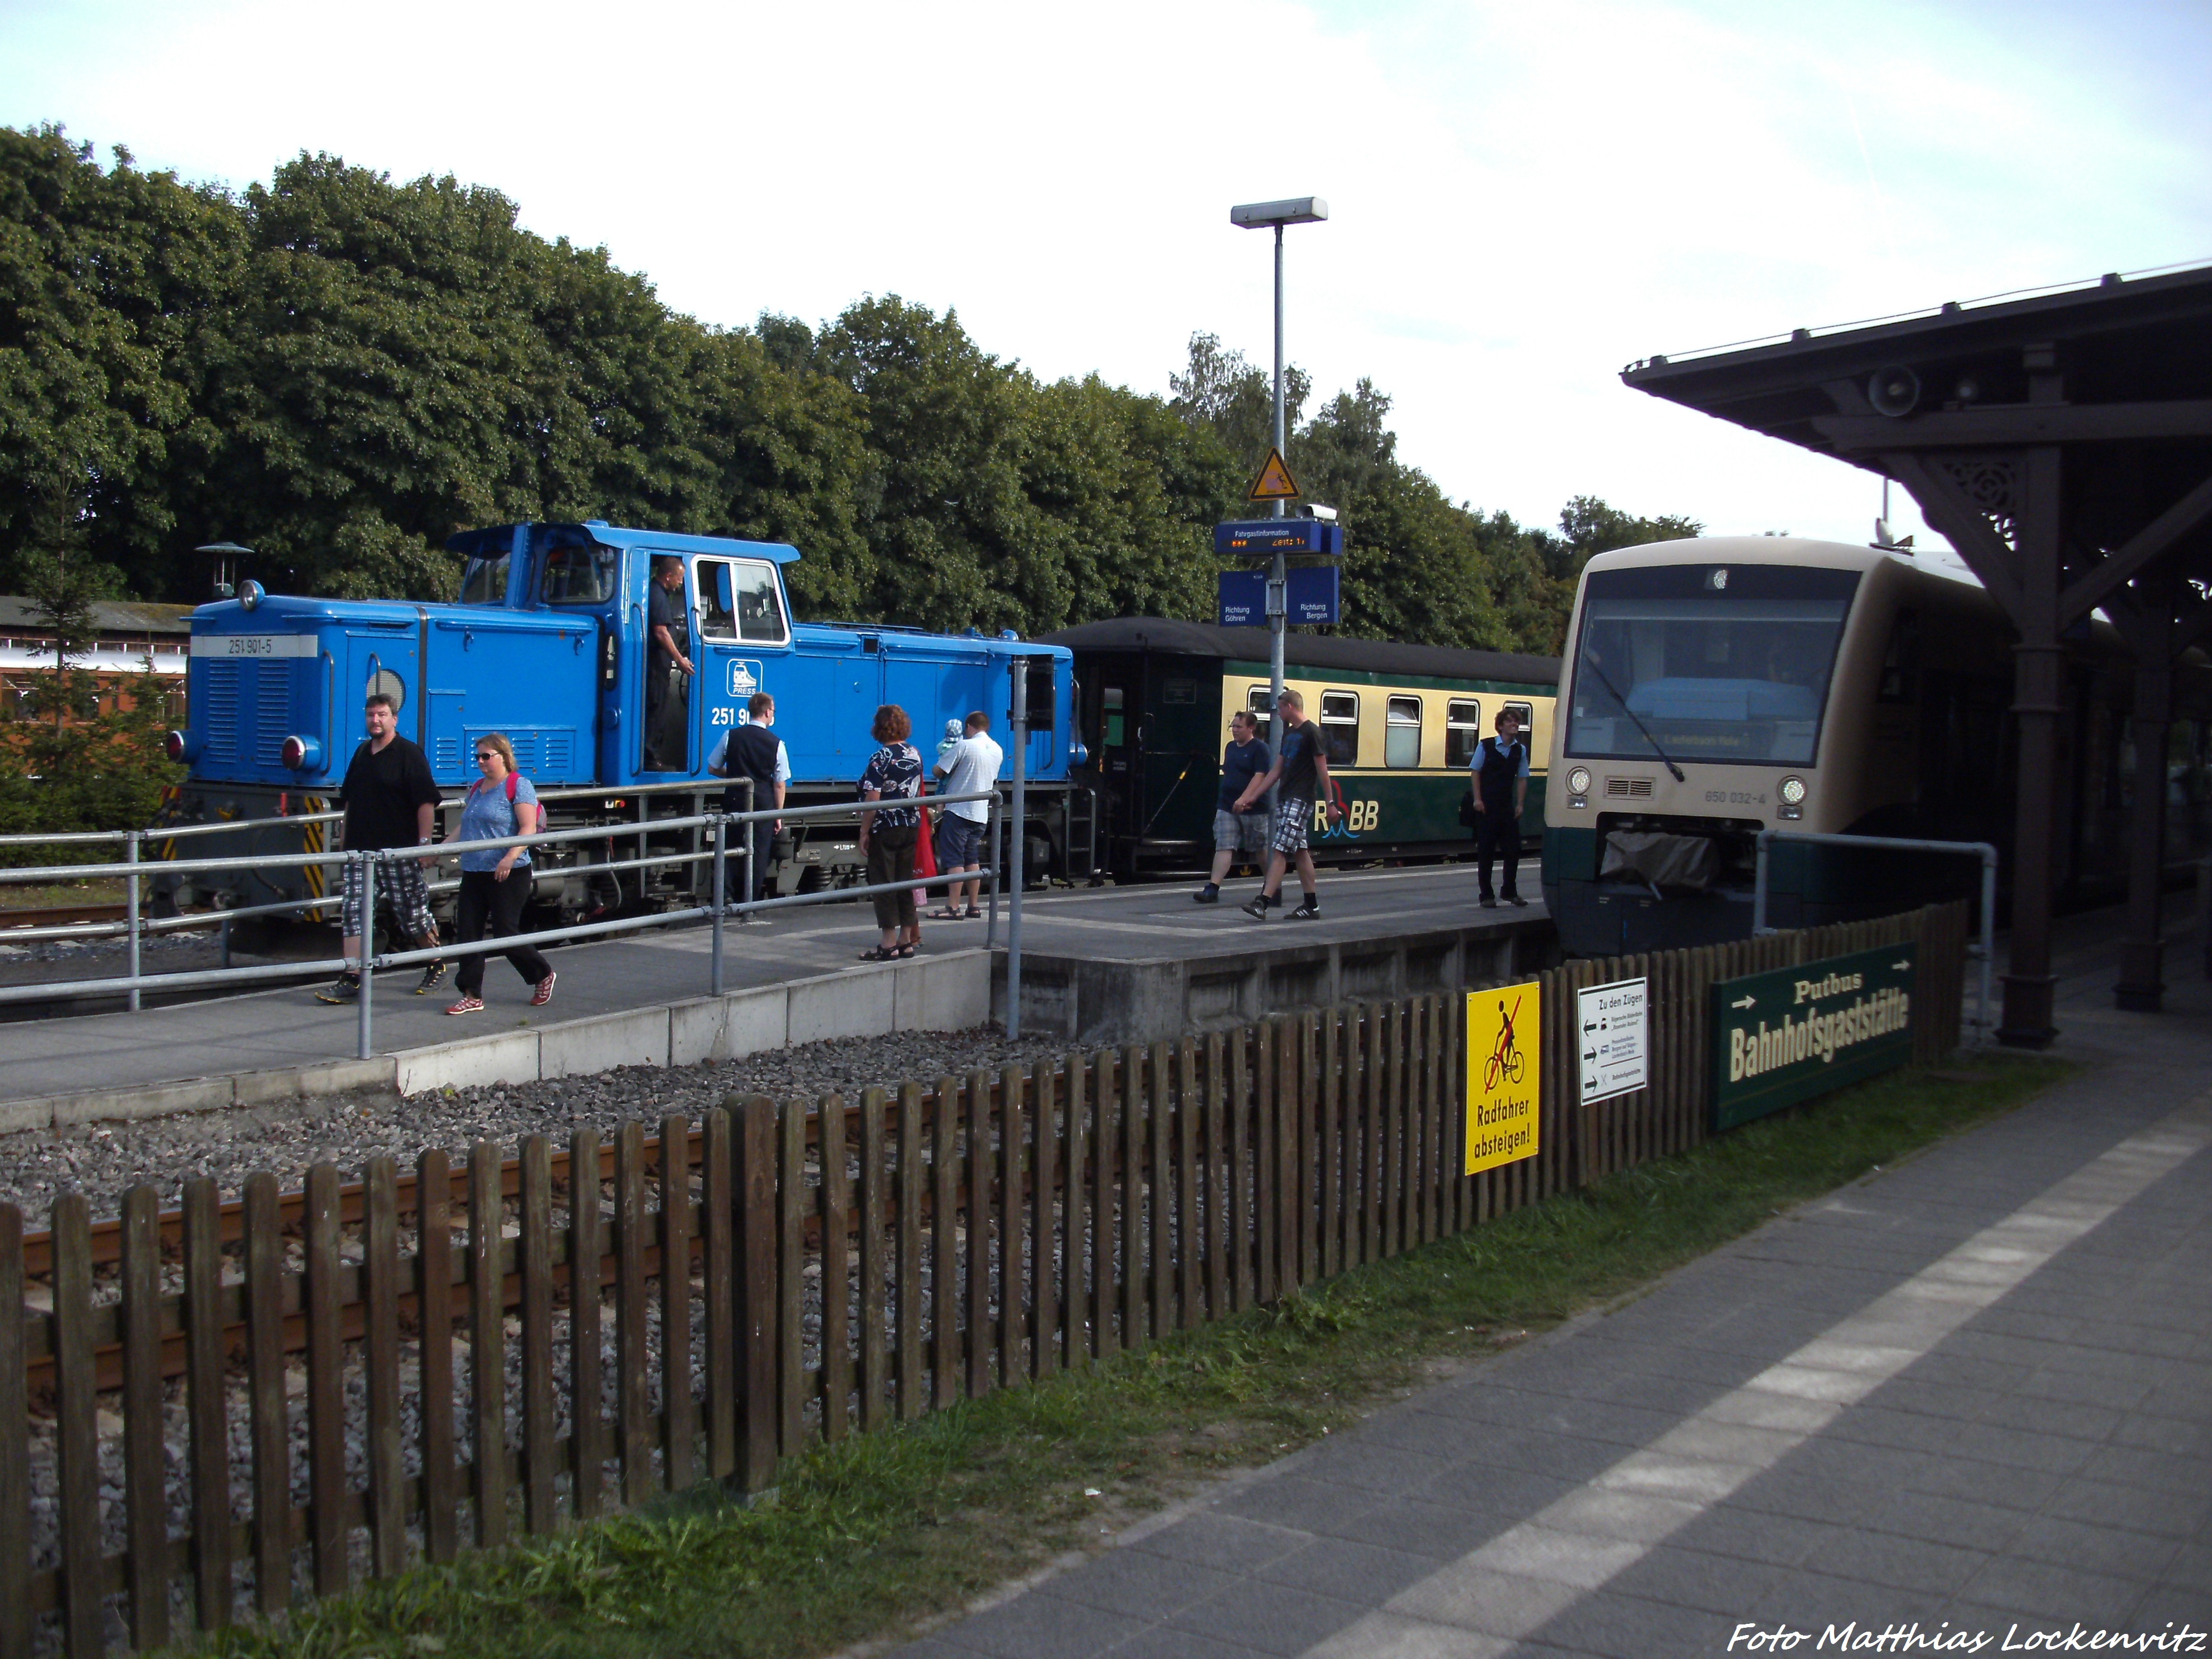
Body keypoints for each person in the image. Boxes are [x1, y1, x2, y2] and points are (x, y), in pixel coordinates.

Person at [316, 691, 447, 1002]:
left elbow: (426, 803)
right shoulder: (362, 754)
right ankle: (352, 977)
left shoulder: (409, 754)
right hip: (361, 853)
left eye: (382, 715)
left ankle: (436, 963)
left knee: (412, 914)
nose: (375, 720)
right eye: (371, 715)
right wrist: (344, 844)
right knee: (353, 912)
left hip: (397, 851)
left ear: (394, 719)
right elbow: (349, 803)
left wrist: (425, 845)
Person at [442, 734, 556, 1014]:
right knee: (468, 932)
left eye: (486, 756)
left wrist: (509, 857)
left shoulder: (519, 785)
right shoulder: (478, 788)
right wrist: (440, 849)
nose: (480, 762)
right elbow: (465, 826)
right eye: (478, 757)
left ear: (504, 756)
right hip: (475, 871)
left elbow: (527, 827)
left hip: (510, 872)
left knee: (506, 933)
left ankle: (542, 974)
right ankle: (471, 994)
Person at [1232, 688, 1341, 920]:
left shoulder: (1312, 733)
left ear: (1290, 707)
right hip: (1285, 797)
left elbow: (1323, 771)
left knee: (1280, 849)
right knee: (1301, 852)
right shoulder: (1289, 734)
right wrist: (1255, 796)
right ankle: (1311, 906)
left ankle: (1263, 901)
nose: (1278, 713)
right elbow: (1277, 770)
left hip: (1301, 798)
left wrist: (1330, 802)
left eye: (1280, 708)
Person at [856, 704, 924, 960]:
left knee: (884, 882)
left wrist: (864, 831)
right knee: (904, 881)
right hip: (911, 824)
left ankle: (888, 944)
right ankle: (906, 940)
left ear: (880, 727)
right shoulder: (914, 754)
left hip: (886, 826)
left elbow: (873, 797)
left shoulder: (881, 758)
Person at [706, 691, 788, 905]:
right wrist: (778, 814)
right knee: (759, 852)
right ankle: (749, 901)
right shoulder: (777, 743)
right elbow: (780, 783)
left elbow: (713, 768)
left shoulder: (730, 735)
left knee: (729, 848)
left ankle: (724, 897)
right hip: (763, 802)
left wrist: (735, 775)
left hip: (735, 798)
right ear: (768, 712)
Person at [929, 710, 1002, 921]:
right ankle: (974, 906)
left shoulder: (964, 746)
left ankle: (953, 907)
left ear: (969, 727)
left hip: (959, 809)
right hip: (980, 813)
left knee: (954, 858)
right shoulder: (997, 749)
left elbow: (939, 771)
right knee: (972, 858)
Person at [1194, 709, 1272, 903]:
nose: (1234, 730)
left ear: (1251, 728)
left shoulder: (1260, 749)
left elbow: (1260, 776)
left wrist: (1244, 799)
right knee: (1224, 845)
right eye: (1233, 726)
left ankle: (1271, 885)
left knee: (1260, 848)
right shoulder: (1231, 747)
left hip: (1254, 808)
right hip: (1227, 805)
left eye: (1239, 726)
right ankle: (1212, 888)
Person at [1470, 707, 1531, 908]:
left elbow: (1522, 778)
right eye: (1510, 721)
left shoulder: (1519, 750)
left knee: (1513, 850)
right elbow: (1476, 772)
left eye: (1517, 722)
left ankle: (1509, 891)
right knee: (1486, 852)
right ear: (1501, 726)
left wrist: (1520, 803)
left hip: (1506, 806)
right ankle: (1486, 895)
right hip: (1487, 807)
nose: (1515, 725)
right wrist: (1478, 799)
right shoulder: (1486, 746)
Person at [644, 555, 694, 769]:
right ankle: (650, 758)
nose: (681, 583)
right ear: (668, 576)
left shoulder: (655, 594)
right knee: (656, 709)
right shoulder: (658, 596)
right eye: (680, 578)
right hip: (656, 667)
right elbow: (661, 631)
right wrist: (680, 659)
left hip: (658, 666)